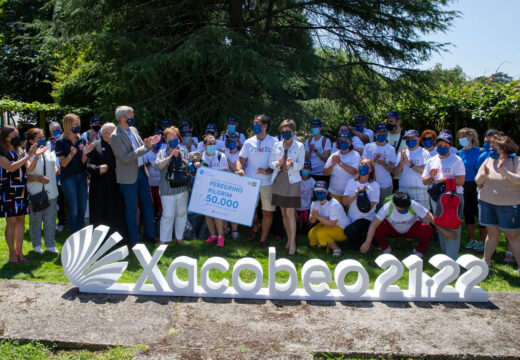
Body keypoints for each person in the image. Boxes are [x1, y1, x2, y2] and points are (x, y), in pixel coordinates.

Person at [110, 105, 162, 246]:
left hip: (141, 172)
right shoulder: (115, 136)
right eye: (131, 115)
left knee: (148, 205)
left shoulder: (133, 130)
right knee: (132, 209)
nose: (133, 117)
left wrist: (151, 144)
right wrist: (145, 148)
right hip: (128, 177)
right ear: (122, 118)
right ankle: (134, 240)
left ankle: (150, 237)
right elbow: (126, 158)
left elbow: (142, 149)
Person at [476, 135, 520, 275]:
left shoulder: (516, 161)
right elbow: (478, 180)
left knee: (512, 235)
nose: (490, 149)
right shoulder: (488, 160)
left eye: (494, 146)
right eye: (489, 146)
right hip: (487, 202)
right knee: (492, 233)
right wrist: (484, 175)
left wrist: (505, 172)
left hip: (509, 204)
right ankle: (486, 262)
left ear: (504, 148)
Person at [0, 126, 42, 263]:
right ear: (6, 137)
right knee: (11, 222)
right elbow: (11, 167)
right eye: (14, 135)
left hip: (21, 189)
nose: (17, 137)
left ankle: (20, 252)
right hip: (8, 190)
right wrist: (28, 156)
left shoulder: (20, 150)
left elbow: (29, 167)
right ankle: (12, 253)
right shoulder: (1, 152)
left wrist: (35, 156)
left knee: (21, 221)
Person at [422, 131, 465, 260]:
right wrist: (431, 176)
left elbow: (461, 180)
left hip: (453, 198)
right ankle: (445, 255)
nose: (442, 148)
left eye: (446, 146)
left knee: (452, 225)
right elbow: (424, 180)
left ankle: (453, 258)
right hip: (437, 198)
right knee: (440, 223)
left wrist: (445, 181)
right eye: (440, 145)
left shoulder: (456, 160)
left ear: (450, 146)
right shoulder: (431, 161)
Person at [236, 115, 276, 246]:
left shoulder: (275, 142)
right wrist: (239, 169)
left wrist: (268, 171)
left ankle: (263, 239)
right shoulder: (248, 142)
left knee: (267, 212)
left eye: (257, 123)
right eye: (253, 123)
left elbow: (277, 163)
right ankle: (255, 227)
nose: (254, 126)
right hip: (250, 183)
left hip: (268, 183)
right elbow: (240, 160)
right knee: (250, 211)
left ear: (265, 126)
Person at [360, 192, 434, 258]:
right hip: (392, 229)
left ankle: (419, 252)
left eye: (405, 207)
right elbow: (373, 225)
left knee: (428, 230)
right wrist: (367, 242)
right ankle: (386, 249)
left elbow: (431, 218)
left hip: (411, 228)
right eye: (401, 208)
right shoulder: (387, 207)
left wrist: (444, 231)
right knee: (378, 228)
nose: (403, 209)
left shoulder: (413, 204)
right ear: (395, 204)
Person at [55, 113, 95, 234]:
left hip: (81, 176)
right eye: (75, 124)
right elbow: (63, 164)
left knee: (82, 208)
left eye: (78, 124)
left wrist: (84, 154)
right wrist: (71, 154)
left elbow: (83, 162)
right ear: (68, 125)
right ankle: (74, 235)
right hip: (68, 178)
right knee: (74, 209)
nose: (78, 126)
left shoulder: (82, 139)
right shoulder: (60, 141)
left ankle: (79, 233)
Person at [270, 119, 305, 256]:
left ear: (293, 132)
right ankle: (289, 240)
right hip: (279, 179)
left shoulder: (299, 146)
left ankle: (293, 242)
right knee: (283, 213)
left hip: (292, 181)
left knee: (290, 213)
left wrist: (292, 165)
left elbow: (301, 165)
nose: (285, 134)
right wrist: (277, 163)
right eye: (283, 132)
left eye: (288, 131)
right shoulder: (276, 145)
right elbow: (271, 163)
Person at [86, 123, 128, 238]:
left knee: (117, 210)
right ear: (104, 133)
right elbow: (87, 165)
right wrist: (98, 169)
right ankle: (99, 239)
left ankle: (118, 237)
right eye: (113, 132)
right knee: (100, 212)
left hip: (117, 185)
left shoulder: (119, 145)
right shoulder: (95, 146)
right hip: (99, 186)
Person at [153, 126, 191, 246]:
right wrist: (170, 157)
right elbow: (157, 167)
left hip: (182, 188)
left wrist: (180, 157)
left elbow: (190, 166)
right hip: (167, 189)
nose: (173, 139)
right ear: (165, 139)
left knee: (181, 214)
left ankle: (179, 238)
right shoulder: (162, 152)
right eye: (170, 137)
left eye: (175, 137)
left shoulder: (184, 151)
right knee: (168, 215)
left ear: (178, 138)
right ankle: (164, 240)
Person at [25, 128, 59, 254]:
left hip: (51, 191)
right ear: (31, 140)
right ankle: (36, 245)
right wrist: (36, 155)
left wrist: (54, 171)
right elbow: (29, 170)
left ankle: (50, 245)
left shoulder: (48, 151)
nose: (42, 139)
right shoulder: (27, 154)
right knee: (36, 221)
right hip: (36, 193)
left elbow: (54, 166)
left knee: (50, 219)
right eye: (39, 138)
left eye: (43, 137)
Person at [457, 127, 486, 252]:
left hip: (477, 185)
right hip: (463, 186)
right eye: (459, 137)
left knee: (479, 214)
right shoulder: (459, 153)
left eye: (463, 136)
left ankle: (483, 241)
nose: (461, 139)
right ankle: (472, 239)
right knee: (467, 214)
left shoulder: (481, 151)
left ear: (471, 137)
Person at [198, 135, 229, 246]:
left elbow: (224, 172)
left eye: (214, 143)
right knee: (207, 214)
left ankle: (221, 236)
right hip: (205, 188)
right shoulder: (200, 156)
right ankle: (213, 235)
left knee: (217, 213)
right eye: (209, 144)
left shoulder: (221, 156)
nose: (212, 146)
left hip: (217, 189)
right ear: (204, 145)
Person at [343, 158, 380, 250]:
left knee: (351, 232)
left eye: (366, 165)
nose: (363, 166)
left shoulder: (374, 185)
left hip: (366, 218)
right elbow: (345, 201)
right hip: (352, 218)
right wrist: (356, 195)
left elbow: (370, 207)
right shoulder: (351, 182)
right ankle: (367, 241)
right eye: (361, 164)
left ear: (371, 169)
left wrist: (362, 197)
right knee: (351, 241)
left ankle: (369, 240)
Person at [308, 181, 350, 257]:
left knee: (321, 233)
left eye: (322, 191)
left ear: (327, 192)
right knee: (312, 234)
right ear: (314, 192)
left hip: (342, 227)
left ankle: (336, 249)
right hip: (326, 224)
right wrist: (313, 216)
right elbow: (311, 221)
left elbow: (332, 223)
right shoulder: (314, 202)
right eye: (317, 192)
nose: (320, 194)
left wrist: (318, 217)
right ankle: (325, 243)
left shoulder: (334, 204)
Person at [394, 129, 431, 209]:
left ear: (418, 139)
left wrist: (409, 164)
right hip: (404, 189)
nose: (410, 141)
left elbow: (425, 171)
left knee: (423, 217)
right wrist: (401, 162)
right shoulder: (403, 153)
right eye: (408, 139)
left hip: (420, 190)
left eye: (412, 138)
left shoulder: (425, 153)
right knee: (405, 217)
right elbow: (396, 173)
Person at [362, 123, 396, 206]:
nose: (382, 134)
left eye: (384, 132)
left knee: (384, 208)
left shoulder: (391, 149)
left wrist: (384, 164)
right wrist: (373, 161)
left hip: (385, 185)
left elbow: (393, 170)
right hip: (370, 183)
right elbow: (363, 166)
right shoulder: (368, 147)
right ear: (375, 133)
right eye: (379, 132)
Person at [322, 131, 360, 203]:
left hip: (350, 193)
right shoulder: (334, 155)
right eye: (341, 141)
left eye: (346, 141)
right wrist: (332, 165)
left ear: (350, 143)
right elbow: (325, 172)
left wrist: (340, 163)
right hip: (334, 193)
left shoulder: (355, 155)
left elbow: (354, 171)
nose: (343, 142)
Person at [48, 121, 66, 232]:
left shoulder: (66, 139)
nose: (56, 132)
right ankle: (61, 221)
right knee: (59, 201)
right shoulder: (49, 144)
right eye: (53, 130)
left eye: (58, 129)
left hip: (66, 173)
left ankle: (68, 220)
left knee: (68, 200)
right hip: (56, 176)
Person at [223, 133, 241, 240]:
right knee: (224, 206)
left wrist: (227, 161)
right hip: (225, 182)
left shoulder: (241, 154)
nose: (231, 143)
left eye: (233, 141)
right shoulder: (224, 152)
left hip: (237, 183)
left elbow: (236, 169)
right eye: (229, 141)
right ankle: (225, 229)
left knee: (234, 207)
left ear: (238, 142)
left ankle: (234, 230)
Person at [385, 111, 407, 191]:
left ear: (398, 121)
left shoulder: (406, 136)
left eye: (391, 121)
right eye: (387, 122)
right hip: (385, 176)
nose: (389, 124)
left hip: (401, 177)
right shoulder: (384, 135)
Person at [304, 119, 331, 183]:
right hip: (310, 173)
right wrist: (310, 150)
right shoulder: (308, 140)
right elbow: (306, 158)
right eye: (312, 127)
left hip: (322, 173)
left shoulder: (326, 140)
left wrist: (315, 150)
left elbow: (326, 159)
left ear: (320, 128)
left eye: (316, 127)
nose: (314, 129)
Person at [144, 131, 163, 220]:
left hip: (160, 182)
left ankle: (159, 216)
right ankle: (151, 217)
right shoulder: (147, 153)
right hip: (150, 182)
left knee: (160, 201)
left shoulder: (162, 153)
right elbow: (144, 164)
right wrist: (146, 164)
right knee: (151, 201)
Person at [296, 161, 315, 231]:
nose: (305, 170)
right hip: (297, 206)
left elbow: (313, 195)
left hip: (307, 207)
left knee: (306, 228)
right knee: (296, 225)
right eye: (304, 168)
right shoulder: (297, 179)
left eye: (307, 168)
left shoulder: (312, 182)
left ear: (310, 170)